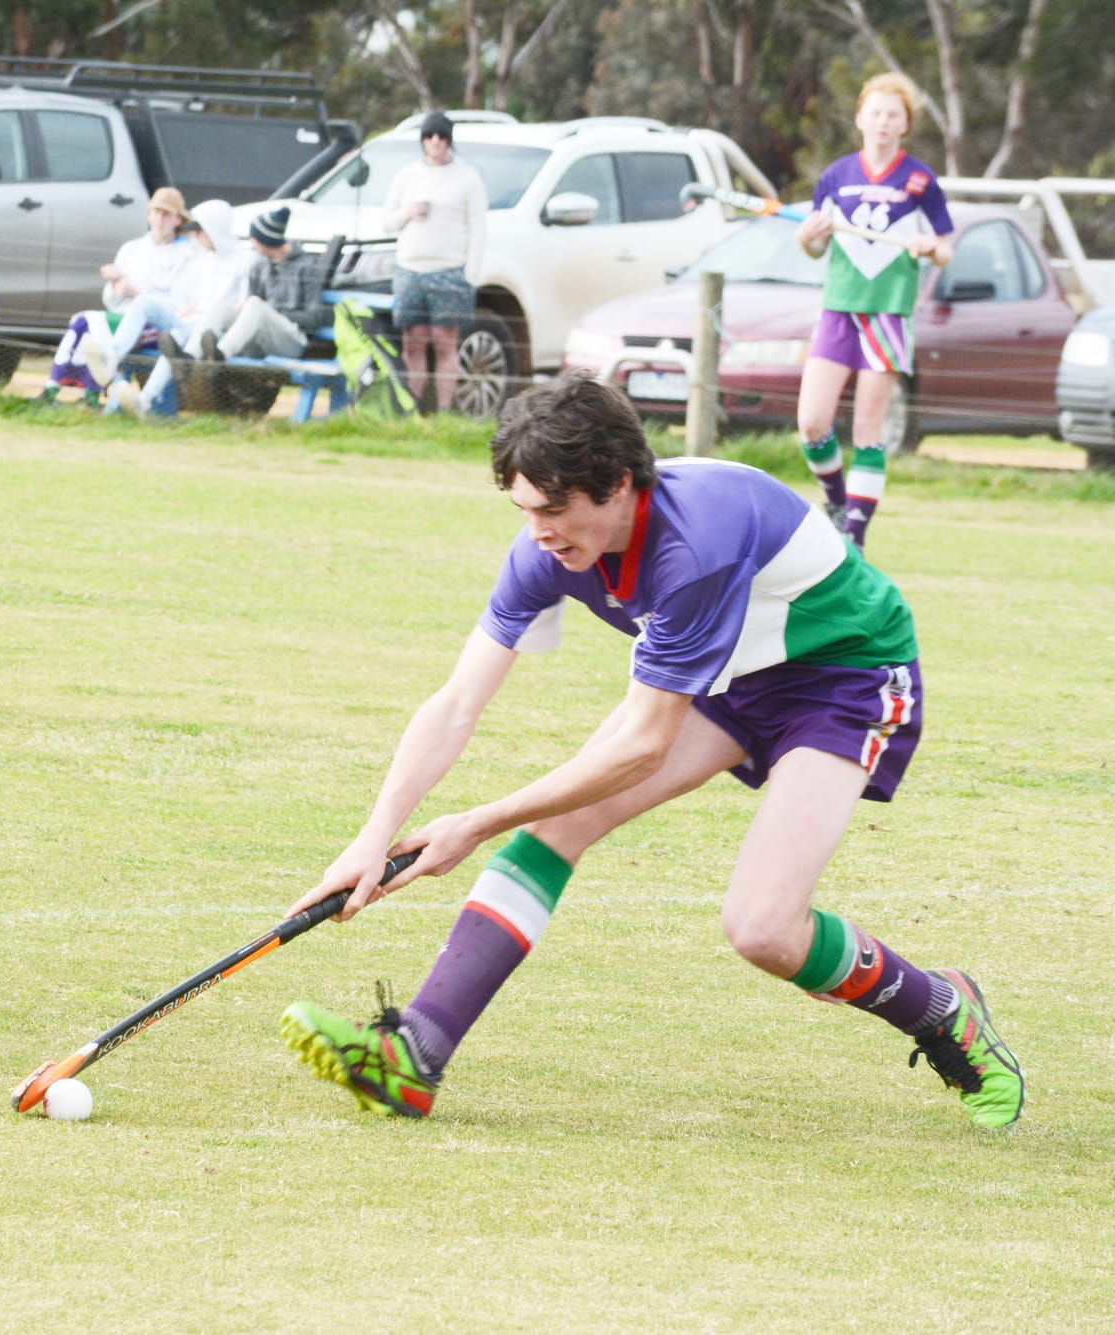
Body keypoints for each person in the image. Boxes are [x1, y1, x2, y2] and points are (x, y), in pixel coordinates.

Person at [278, 375, 1023, 1129]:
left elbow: (642, 745)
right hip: (731, 672)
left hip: (844, 675)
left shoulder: (693, 546)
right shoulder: (545, 550)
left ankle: (942, 1008)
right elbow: (457, 702)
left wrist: (475, 820)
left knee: (762, 928)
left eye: (555, 509)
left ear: (619, 485)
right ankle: (415, 1054)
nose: (538, 531)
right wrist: (372, 839)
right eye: (525, 510)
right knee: (553, 829)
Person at [795, 72, 954, 552]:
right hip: (838, 311)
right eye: (877, 112)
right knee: (812, 424)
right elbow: (814, 247)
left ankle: (854, 538)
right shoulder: (836, 177)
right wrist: (807, 235)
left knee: (868, 429)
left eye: (894, 115)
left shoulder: (920, 180)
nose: (884, 122)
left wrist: (931, 248)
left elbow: (946, 249)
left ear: (905, 125)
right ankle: (838, 503)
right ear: (861, 117)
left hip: (886, 315)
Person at [40, 187, 197, 406]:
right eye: (156, 212)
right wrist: (116, 287)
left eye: (166, 214)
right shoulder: (132, 249)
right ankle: (53, 388)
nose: (160, 219)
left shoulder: (187, 255)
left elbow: (182, 305)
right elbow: (111, 302)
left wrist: (137, 292)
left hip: (158, 326)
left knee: (97, 322)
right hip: (125, 318)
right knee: (81, 320)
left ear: (178, 220)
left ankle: (93, 392)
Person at [380, 111, 487, 414]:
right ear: (423, 140)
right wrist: (407, 213)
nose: (435, 142)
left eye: (441, 136)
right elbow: (386, 221)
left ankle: (443, 408)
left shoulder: (468, 177)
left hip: (450, 271)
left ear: (449, 140)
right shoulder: (407, 175)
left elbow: (478, 227)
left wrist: (471, 273)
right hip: (410, 269)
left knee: (444, 342)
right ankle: (412, 406)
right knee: (414, 341)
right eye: (429, 136)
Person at [101, 198, 248, 416]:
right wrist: (185, 306)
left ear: (214, 229)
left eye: (200, 230)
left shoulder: (244, 259)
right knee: (145, 304)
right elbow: (183, 296)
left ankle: (145, 399)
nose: (196, 235)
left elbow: (241, 306)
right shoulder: (202, 260)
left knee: (176, 341)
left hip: (211, 333)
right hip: (187, 319)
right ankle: (111, 360)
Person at [206, 205, 326, 362]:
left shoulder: (306, 267)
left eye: (254, 239)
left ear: (265, 241)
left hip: (292, 340)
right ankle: (189, 357)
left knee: (255, 305)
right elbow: (250, 309)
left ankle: (219, 356)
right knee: (220, 307)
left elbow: (315, 319)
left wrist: (273, 313)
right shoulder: (259, 266)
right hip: (259, 336)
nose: (252, 243)